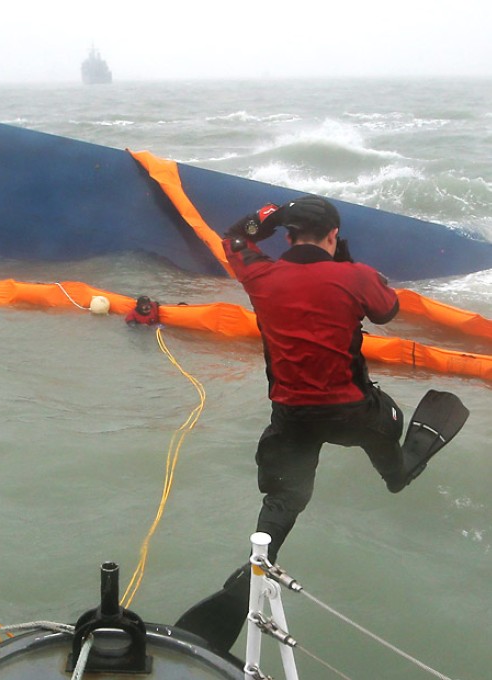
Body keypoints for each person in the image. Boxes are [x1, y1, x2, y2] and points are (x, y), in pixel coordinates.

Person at [174, 195, 467, 654]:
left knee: (285, 497)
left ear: (287, 236)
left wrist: (268, 214)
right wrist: (345, 264)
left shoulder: (260, 274)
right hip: (355, 413)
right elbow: (386, 310)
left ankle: (259, 561)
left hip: (292, 415)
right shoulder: (356, 277)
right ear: (333, 236)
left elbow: (233, 237)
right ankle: (397, 474)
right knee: (388, 425)